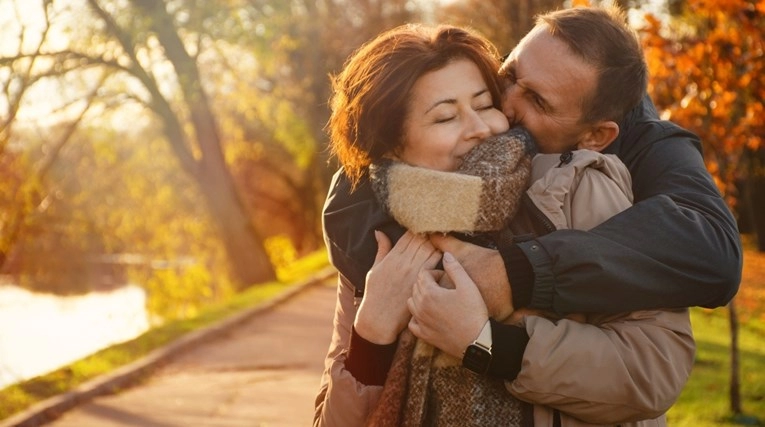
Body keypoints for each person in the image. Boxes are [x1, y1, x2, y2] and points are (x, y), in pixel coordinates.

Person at [315, 20, 693, 427]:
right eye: (446, 117)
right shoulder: (378, 238)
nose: (485, 127)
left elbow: (651, 372)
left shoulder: (575, 187)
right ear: (391, 144)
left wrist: (484, 341)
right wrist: (371, 333)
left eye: (483, 104)